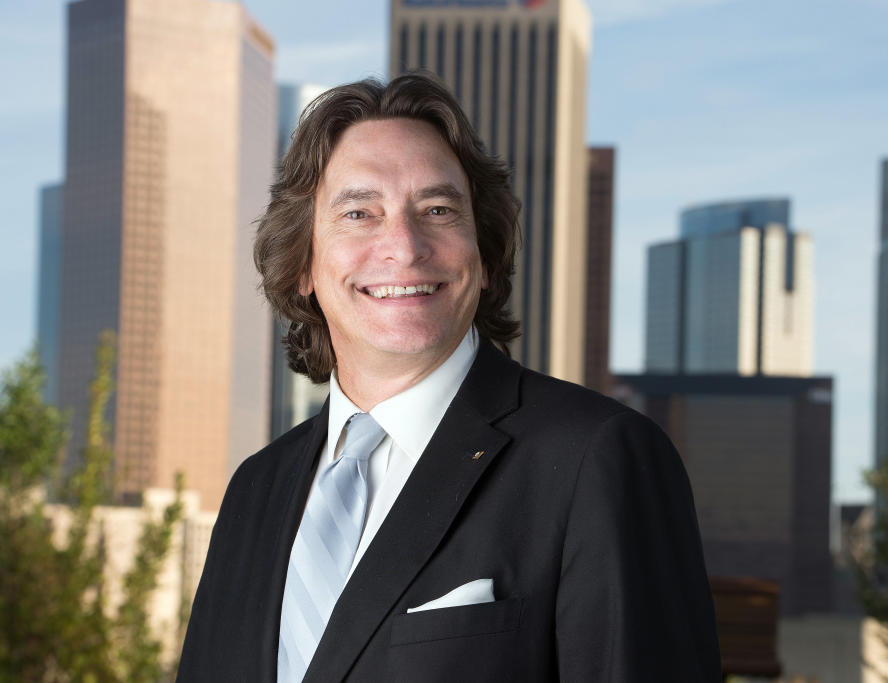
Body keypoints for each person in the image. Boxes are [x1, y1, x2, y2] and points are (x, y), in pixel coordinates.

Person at [178, 73, 720, 682]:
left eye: (437, 210)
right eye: (359, 213)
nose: (404, 247)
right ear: (303, 263)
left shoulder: (596, 459)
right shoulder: (256, 489)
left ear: (484, 257)